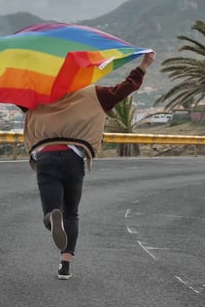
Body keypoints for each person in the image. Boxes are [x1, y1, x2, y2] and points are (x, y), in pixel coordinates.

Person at [22, 52, 155, 280]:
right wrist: (144, 64)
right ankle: (65, 265)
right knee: (72, 213)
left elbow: (13, 93)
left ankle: (52, 220)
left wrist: (0, 68)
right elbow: (126, 87)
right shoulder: (95, 94)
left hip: (46, 156)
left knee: (51, 210)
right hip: (74, 158)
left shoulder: (39, 95)